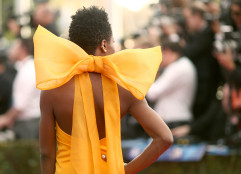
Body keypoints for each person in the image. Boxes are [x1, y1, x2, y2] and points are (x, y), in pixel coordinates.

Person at [35, 6, 173, 174]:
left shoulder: (53, 88)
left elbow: (46, 154)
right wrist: (126, 170)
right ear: (104, 45)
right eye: (113, 42)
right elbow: (165, 138)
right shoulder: (123, 87)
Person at [146, 41, 197, 130]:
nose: (159, 60)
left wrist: (145, 77)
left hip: (174, 121)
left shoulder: (178, 67)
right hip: (175, 119)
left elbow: (152, 93)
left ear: (168, 51)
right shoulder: (183, 64)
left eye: (159, 54)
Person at [0, 38, 41, 139]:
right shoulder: (25, 67)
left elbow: (20, 104)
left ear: (22, 50)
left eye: (14, 47)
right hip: (26, 122)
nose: (11, 50)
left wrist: (6, 118)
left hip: (28, 124)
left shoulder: (28, 70)